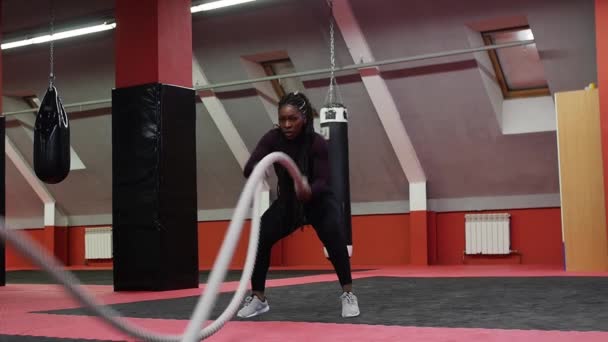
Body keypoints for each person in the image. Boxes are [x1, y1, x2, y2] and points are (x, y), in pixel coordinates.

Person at [236, 91, 360, 319]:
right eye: (283, 119)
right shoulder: (273, 139)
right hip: (288, 203)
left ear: (303, 118)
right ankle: (258, 298)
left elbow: (325, 179)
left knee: (335, 239)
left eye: (292, 119)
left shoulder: (317, 142)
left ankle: (348, 293)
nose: (286, 124)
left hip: (319, 201)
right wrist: (256, 168)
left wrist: (308, 190)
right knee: (260, 237)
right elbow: (250, 166)